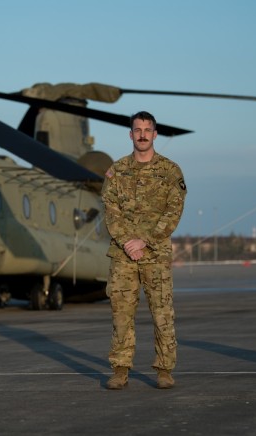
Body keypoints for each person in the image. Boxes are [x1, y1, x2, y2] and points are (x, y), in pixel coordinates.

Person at [101, 111, 187, 390]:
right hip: (123, 256)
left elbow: (173, 212)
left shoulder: (170, 171)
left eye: (147, 130)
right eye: (137, 129)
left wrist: (145, 241)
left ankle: (164, 369)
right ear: (130, 134)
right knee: (121, 314)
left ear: (155, 134)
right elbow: (110, 211)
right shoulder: (117, 171)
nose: (142, 134)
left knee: (162, 313)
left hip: (156, 254)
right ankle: (120, 369)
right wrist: (128, 241)